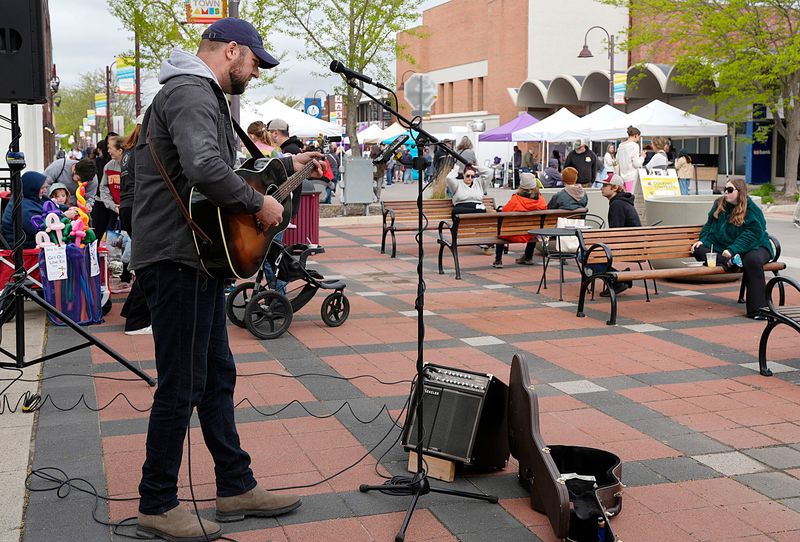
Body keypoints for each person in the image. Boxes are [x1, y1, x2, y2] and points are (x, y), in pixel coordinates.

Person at [131, 18, 322, 542]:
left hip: (194, 257)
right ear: (231, 50)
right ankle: (157, 502)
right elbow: (204, 167)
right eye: (254, 60)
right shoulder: (192, 92)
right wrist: (257, 203)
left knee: (215, 376)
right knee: (183, 383)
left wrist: (282, 165)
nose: (256, 71)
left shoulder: (197, 93)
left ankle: (235, 485)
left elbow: (225, 166)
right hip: (178, 258)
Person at [690, 177, 773, 319]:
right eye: (724, 190)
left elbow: (754, 233)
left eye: (729, 190)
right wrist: (702, 240)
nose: (725, 193)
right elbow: (709, 224)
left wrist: (733, 249)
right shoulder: (719, 204)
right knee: (698, 251)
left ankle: (758, 310)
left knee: (752, 261)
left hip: (755, 246)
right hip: (726, 248)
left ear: (739, 192)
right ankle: (730, 261)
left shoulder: (751, 209)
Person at [118, 113, 151, 334]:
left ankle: (133, 312)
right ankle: (137, 319)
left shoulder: (128, 153)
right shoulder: (142, 150)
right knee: (149, 264)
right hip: (139, 208)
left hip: (127, 208)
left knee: (145, 263)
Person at [596, 174, 641, 296]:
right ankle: (621, 277)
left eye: (605, 185)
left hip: (627, 247)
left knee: (584, 255)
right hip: (634, 245)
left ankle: (618, 280)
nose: (602, 188)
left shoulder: (617, 205)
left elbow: (615, 233)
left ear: (615, 188)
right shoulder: (621, 202)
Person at [492, 172, 547, 268]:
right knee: (534, 229)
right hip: (531, 234)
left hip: (513, 234)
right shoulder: (541, 201)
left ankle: (498, 260)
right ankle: (528, 257)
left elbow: (504, 213)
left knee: (500, 232)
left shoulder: (515, 200)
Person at [2, 171, 48, 249]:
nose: (45, 190)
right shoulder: (23, 207)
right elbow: (44, 228)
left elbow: (48, 203)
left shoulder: (28, 197)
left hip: (32, 242)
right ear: (32, 188)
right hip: (25, 249)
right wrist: (64, 216)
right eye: (42, 188)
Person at [93, 135, 125, 243]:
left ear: (120, 150)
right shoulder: (108, 166)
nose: (108, 151)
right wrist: (112, 205)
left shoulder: (130, 165)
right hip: (113, 210)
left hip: (128, 210)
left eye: (110, 148)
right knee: (113, 244)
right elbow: (103, 187)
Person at [616, 126, 646, 193]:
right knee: (631, 200)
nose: (638, 139)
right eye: (638, 137)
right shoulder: (634, 145)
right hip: (631, 177)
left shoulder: (620, 146)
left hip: (622, 178)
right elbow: (636, 164)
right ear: (636, 135)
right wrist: (642, 157)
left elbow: (617, 161)